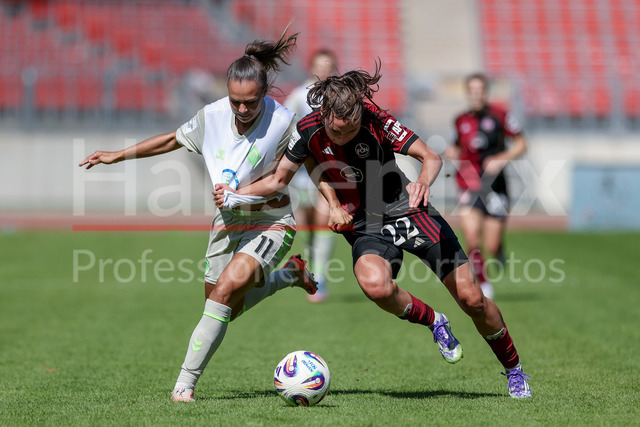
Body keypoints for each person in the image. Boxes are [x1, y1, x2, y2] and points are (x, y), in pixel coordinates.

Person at [215, 64, 532, 398]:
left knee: (472, 299)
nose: (342, 137)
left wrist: (423, 183)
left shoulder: (377, 120)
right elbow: (280, 179)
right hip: (366, 224)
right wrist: (236, 193)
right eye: (336, 132)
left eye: (350, 131)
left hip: (407, 208)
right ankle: (434, 321)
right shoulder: (307, 129)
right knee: (375, 286)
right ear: (325, 115)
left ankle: (514, 370)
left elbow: (431, 157)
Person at [79, 26, 319, 403]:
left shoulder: (284, 121)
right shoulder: (212, 116)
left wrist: (339, 199)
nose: (242, 110)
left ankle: (184, 384)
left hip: (271, 222)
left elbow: (293, 171)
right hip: (227, 222)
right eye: (236, 101)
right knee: (223, 307)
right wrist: (117, 155)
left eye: (251, 102)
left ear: (263, 94)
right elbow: (172, 139)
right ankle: (289, 275)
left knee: (223, 293)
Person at [444, 73, 528, 299]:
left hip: (495, 186)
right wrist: (451, 152)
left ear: (486, 92)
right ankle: (483, 283)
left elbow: (522, 144)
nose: (476, 95)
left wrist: (502, 158)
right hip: (468, 184)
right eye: (472, 91)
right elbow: (456, 145)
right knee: (472, 237)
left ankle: (499, 252)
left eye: (480, 90)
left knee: (492, 244)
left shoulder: (501, 116)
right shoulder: (460, 120)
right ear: (467, 93)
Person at [284, 49, 339, 302]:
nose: (324, 70)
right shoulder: (298, 96)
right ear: (311, 68)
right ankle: (311, 265)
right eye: (320, 65)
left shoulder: (340, 96)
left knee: (323, 219)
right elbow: (286, 125)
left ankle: (319, 276)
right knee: (307, 225)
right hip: (302, 170)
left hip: (329, 166)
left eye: (328, 66)